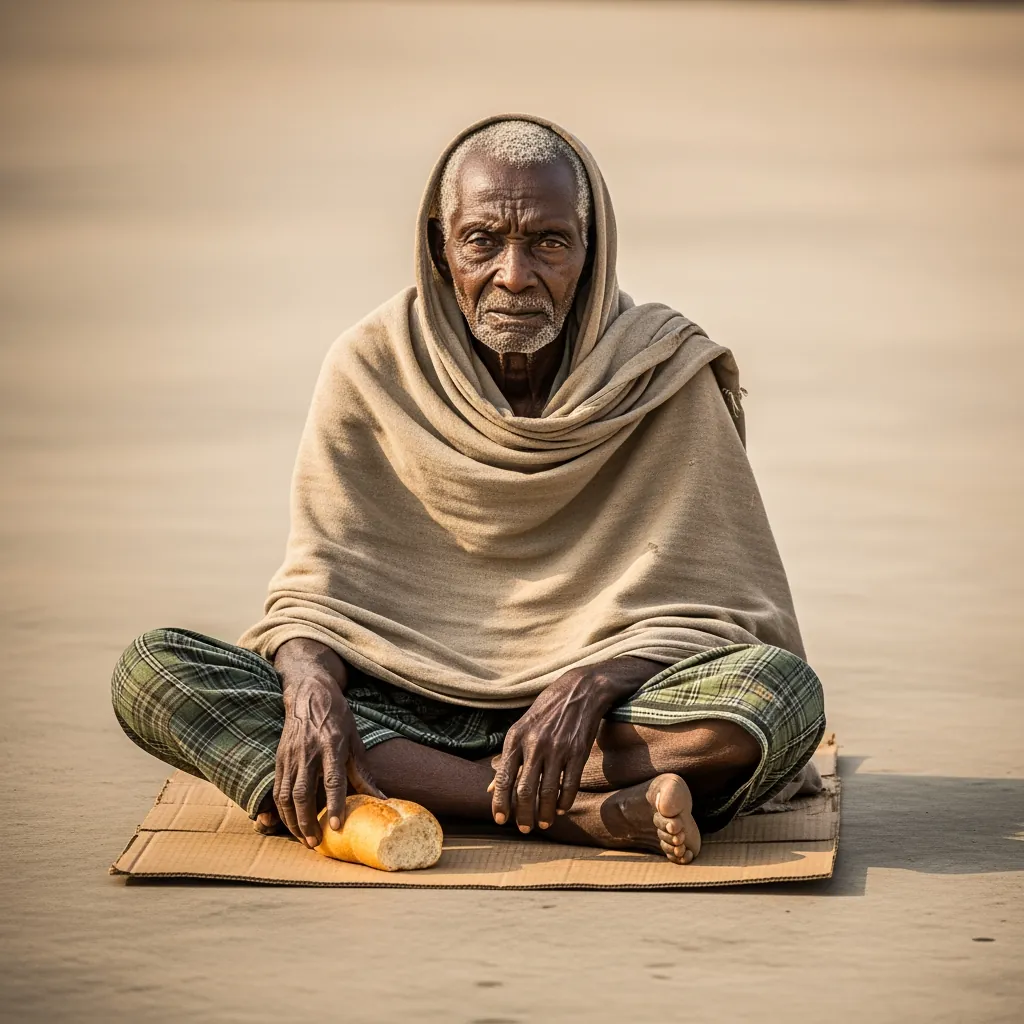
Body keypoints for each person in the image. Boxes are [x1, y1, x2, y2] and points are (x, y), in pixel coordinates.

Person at [112, 116, 825, 865]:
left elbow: (725, 609)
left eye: (549, 242)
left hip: (604, 723)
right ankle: (576, 816)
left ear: (592, 250)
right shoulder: (370, 366)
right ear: (439, 248)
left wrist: (592, 682)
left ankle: (442, 792)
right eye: (482, 240)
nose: (514, 275)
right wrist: (313, 691)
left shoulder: (659, 374)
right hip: (399, 702)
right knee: (153, 673)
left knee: (780, 698)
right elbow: (315, 591)